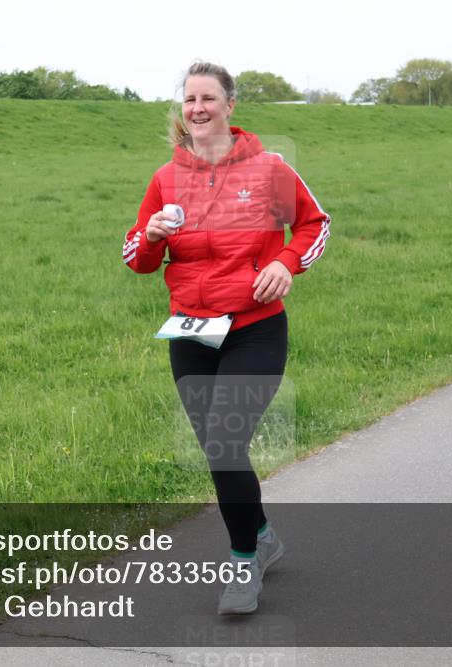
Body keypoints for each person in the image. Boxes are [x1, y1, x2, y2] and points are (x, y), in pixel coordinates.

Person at [122, 62, 330, 614]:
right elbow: (137, 259)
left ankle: (243, 562)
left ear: (230, 105)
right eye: (189, 99)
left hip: (255, 329)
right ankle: (261, 536)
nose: (197, 108)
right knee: (219, 451)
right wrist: (151, 236)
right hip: (191, 332)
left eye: (208, 98)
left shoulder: (269, 168)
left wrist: (287, 262)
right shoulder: (166, 178)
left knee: (223, 441)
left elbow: (316, 224)